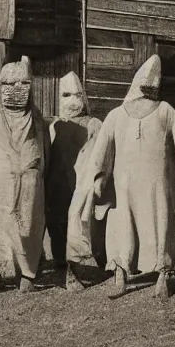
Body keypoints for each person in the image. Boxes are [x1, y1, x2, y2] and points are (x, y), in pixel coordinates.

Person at [71, 54, 175, 300]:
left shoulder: (166, 111)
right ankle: (120, 273)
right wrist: (99, 176)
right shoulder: (117, 115)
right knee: (122, 226)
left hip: (158, 188)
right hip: (124, 188)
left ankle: (163, 275)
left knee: (162, 225)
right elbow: (102, 148)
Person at [0, 56, 50, 294]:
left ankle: (27, 274)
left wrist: (38, 175)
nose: (17, 90)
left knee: (27, 226)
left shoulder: (37, 119)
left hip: (28, 181)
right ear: (0, 86)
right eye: (10, 84)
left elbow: (45, 152)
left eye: (24, 83)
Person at [45, 72, 106, 291]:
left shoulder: (94, 124)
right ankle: (61, 265)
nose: (72, 101)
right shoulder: (55, 126)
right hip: (58, 181)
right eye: (66, 95)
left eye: (76, 95)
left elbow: (100, 154)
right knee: (58, 224)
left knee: (81, 224)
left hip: (82, 182)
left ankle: (82, 266)